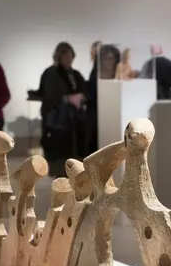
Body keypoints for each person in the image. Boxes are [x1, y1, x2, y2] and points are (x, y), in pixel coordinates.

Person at [39, 42, 88, 176]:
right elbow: (49, 96)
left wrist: (81, 97)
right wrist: (68, 99)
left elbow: (85, 90)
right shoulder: (50, 73)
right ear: (59, 57)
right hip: (57, 120)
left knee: (73, 151)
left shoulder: (75, 74)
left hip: (74, 119)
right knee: (59, 153)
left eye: (71, 56)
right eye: (66, 56)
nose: (69, 59)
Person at [85, 43, 121, 154]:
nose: (108, 62)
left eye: (111, 59)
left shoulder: (119, 75)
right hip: (96, 119)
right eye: (105, 59)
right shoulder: (95, 76)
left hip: (114, 117)